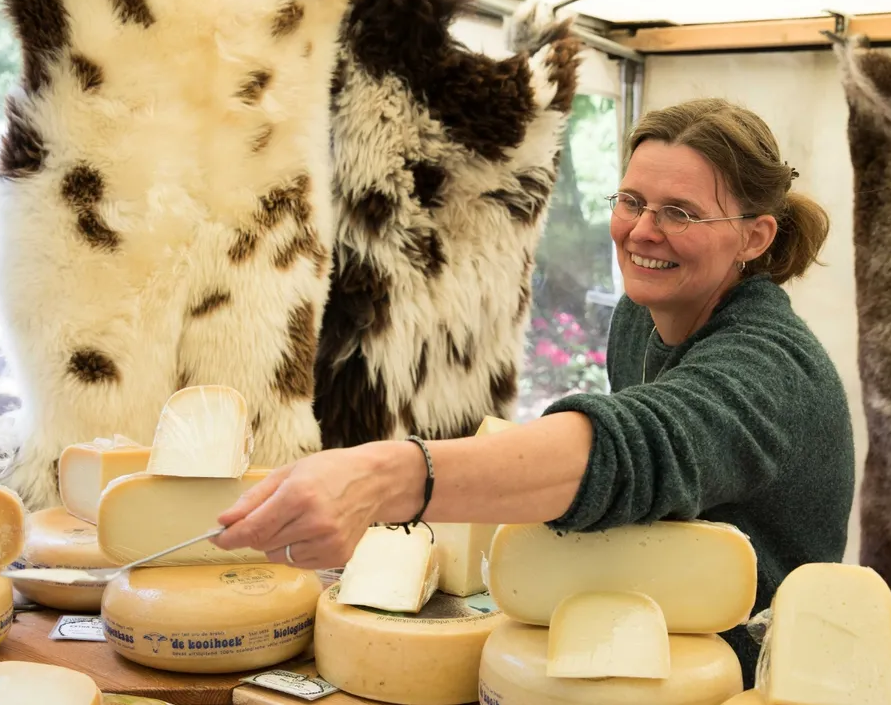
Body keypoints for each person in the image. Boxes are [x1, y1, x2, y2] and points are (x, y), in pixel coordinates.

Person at [214, 99, 855, 684]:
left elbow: (636, 449)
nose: (642, 231)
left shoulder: (771, 367)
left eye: (680, 213)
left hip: (744, 677)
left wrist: (387, 477)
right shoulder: (641, 316)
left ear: (755, 236)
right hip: (636, 632)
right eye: (631, 201)